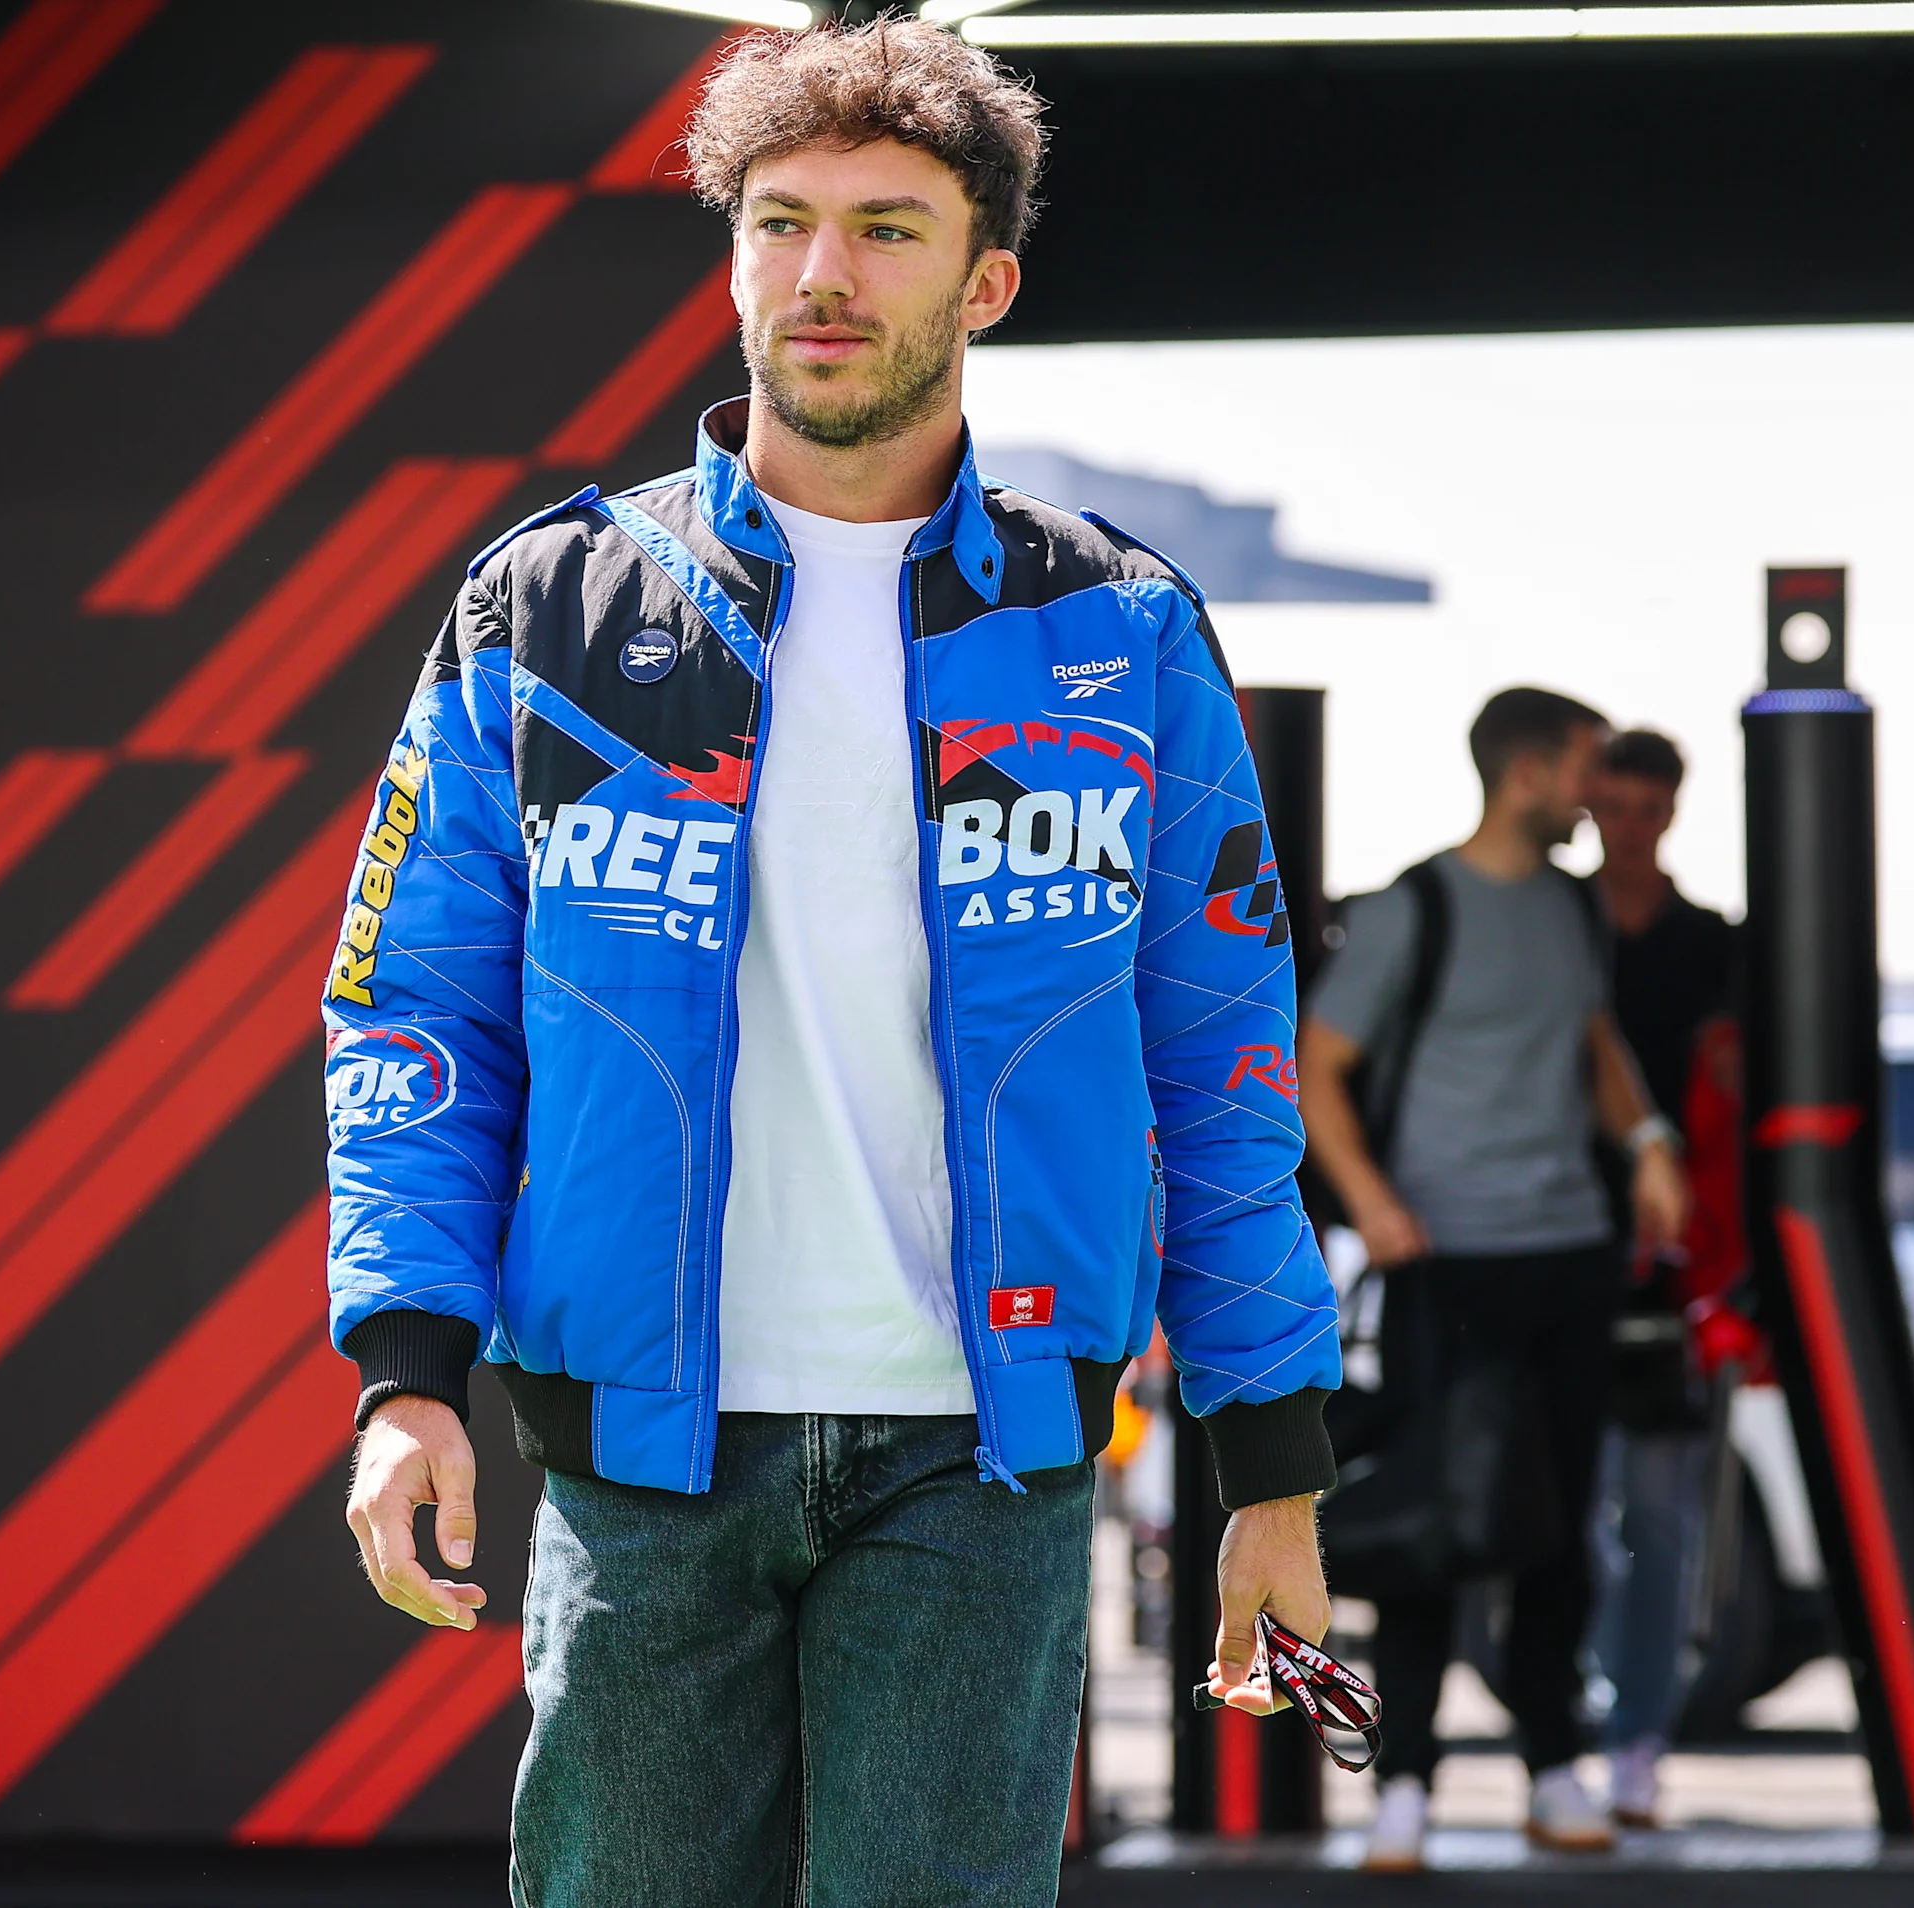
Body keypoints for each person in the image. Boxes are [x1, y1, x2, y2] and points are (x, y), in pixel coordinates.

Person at [323, 24, 1341, 1904]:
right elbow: (414, 1016)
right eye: (779, 223)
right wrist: (403, 1376)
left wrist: (1268, 1463)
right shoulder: (546, 607)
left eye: (886, 229)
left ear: (987, 278)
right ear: (728, 259)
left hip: (986, 1458)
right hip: (642, 1454)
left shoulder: (1116, 630)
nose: (821, 275)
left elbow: (1222, 1061)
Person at [1296, 688, 1689, 1871]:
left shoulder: (1574, 910)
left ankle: (1551, 1768)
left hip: (1566, 1254)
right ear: (1527, 772)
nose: (1597, 789)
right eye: (1584, 764)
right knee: (1434, 1520)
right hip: (1445, 1266)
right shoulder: (1418, 906)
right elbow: (1315, 1065)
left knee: (1558, 1525)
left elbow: (1590, 1044)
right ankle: (1404, 1785)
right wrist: (1371, 1203)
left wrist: (1648, 1140)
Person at [1577, 727, 1740, 1829]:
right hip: (1562, 1246)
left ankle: (1639, 1732)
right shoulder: (1550, 926)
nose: (1630, 831)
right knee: (1564, 1512)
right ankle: (1578, 1713)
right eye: (1614, 809)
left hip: (1682, 1266)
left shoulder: (1713, 945)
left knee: (1669, 1514)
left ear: (1670, 814)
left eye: (1647, 810)